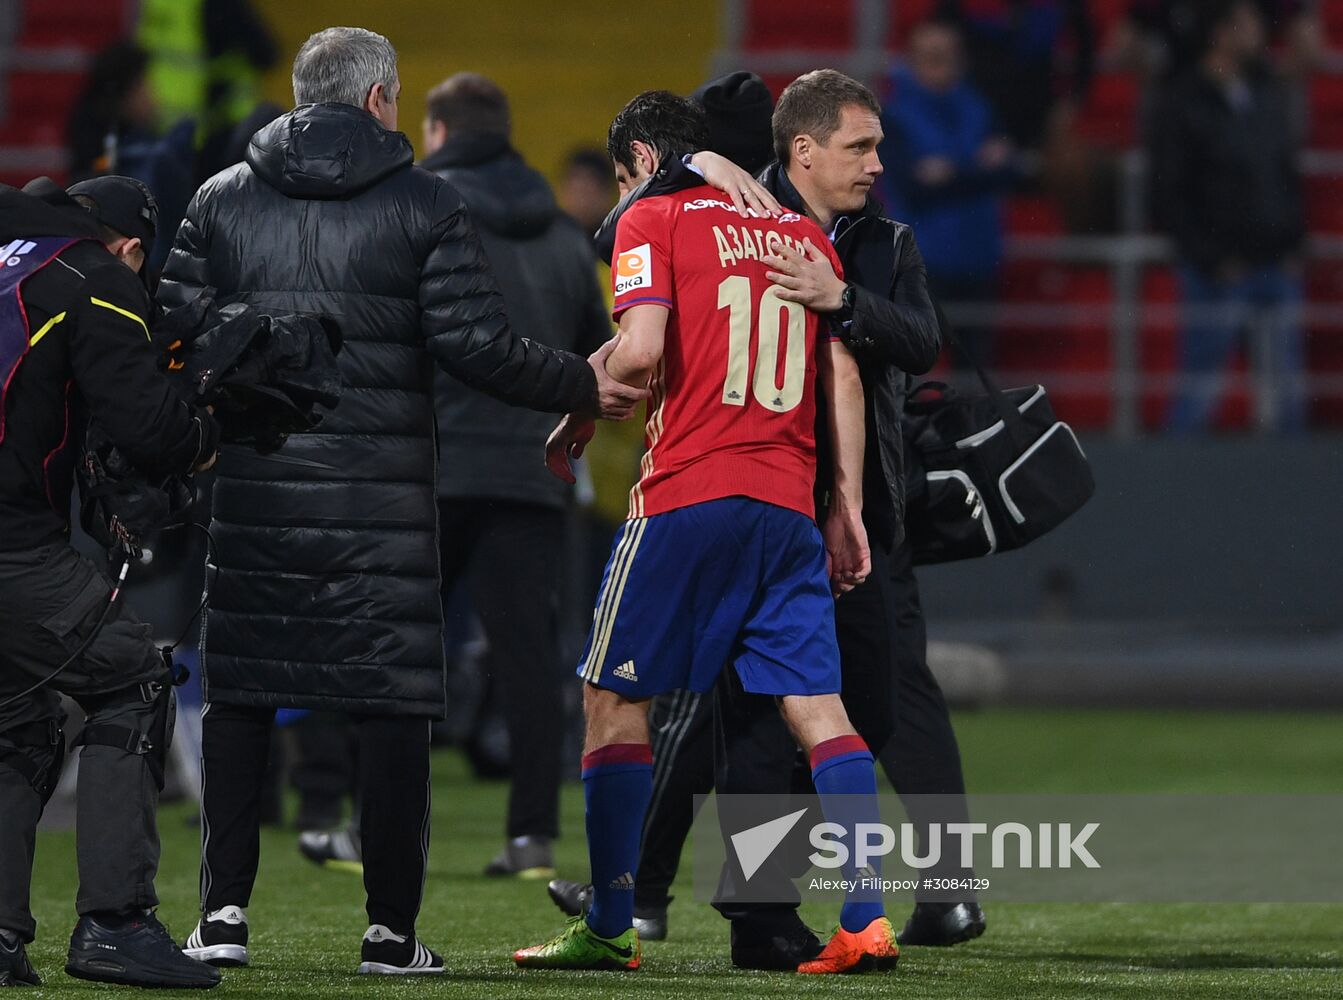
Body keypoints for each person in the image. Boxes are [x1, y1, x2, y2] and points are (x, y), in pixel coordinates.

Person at [158, 26, 645, 976]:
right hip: (380, 505)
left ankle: (220, 918)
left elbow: (176, 331)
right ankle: (388, 934)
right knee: (391, 706)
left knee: (242, 701)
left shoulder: (218, 200)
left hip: (256, 492)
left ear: (304, 96)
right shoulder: (424, 203)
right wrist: (584, 385)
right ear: (380, 99)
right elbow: (479, 348)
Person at [548, 69, 981, 968]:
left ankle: (612, 918)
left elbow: (641, 346)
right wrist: (843, 506)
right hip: (797, 510)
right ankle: (829, 916)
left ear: (634, 164)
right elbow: (845, 378)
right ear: (799, 150)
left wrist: (574, 391)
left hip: (693, 494)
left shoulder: (666, 217)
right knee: (805, 714)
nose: (876, 164)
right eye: (862, 147)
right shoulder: (796, 237)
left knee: (618, 697)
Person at [0, 175, 220, 989]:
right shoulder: (97, 277)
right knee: (132, 678)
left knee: (17, 711)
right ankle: (116, 923)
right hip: (12, 544)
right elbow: (151, 429)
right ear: (130, 246)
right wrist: (209, 427)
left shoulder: (14, 259)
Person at [419, 71, 613, 878]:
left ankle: (360, 819)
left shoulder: (413, 210)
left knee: (390, 648)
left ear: (437, 130)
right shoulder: (565, 235)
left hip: (424, 466)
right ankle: (531, 832)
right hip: (534, 471)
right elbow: (597, 356)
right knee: (530, 658)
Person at [1150, 0, 1307, 432]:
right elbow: (1168, 193)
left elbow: (1285, 173)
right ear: (1222, 33)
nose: (1259, 34)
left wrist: (1294, 243)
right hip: (1217, 274)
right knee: (1199, 391)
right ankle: (1171, 487)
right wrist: (1212, 258)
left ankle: (1294, 490)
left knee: (1287, 394)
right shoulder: (1183, 100)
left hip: (1275, 264)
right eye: (1250, 24)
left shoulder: (1265, 91)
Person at [882, 20, 1016, 369]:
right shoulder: (892, 117)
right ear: (912, 59)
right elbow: (912, 188)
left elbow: (1006, 172)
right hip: (923, 261)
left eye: (949, 55)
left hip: (980, 257)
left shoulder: (979, 107)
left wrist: (949, 173)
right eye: (932, 56)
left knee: (976, 369)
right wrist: (976, 169)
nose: (942, 65)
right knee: (913, 366)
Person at [559, 148, 618, 245]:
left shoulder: (622, 241)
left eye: (586, 192)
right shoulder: (548, 241)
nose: (580, 202)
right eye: (575, 190)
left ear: (607, 195)